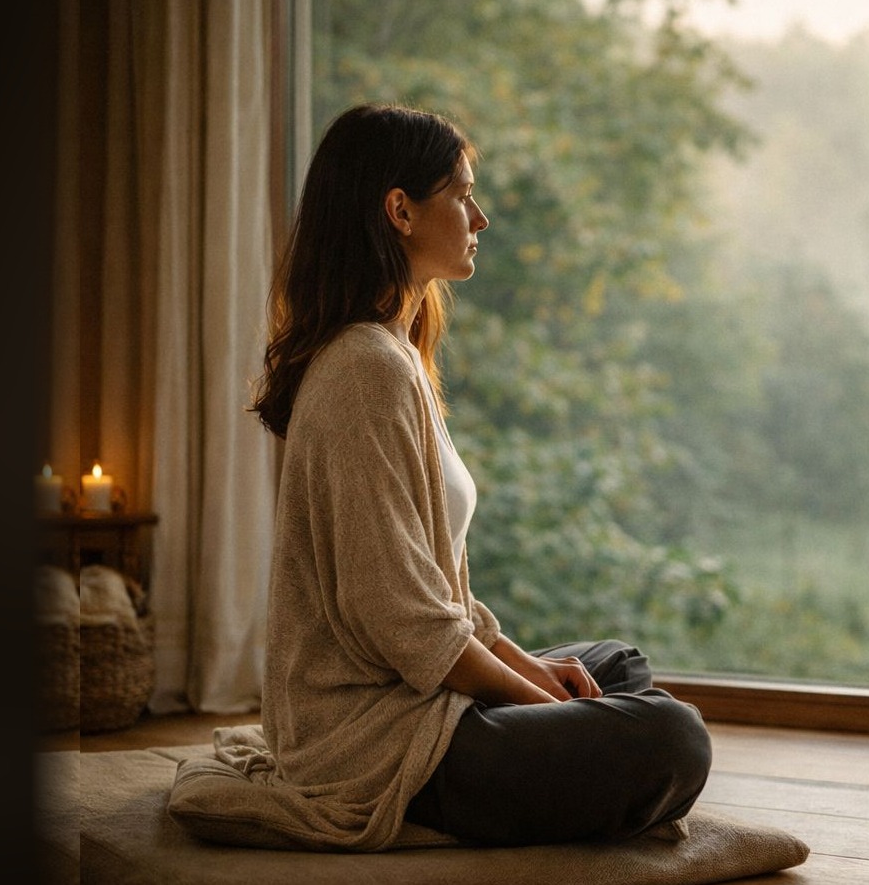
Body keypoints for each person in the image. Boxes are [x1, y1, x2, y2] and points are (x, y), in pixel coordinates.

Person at [246, 102, 712, 850]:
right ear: (399, 210)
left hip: (416, 693)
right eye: (461, 195)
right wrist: (537, 705)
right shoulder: (364, 367)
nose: (480, 217)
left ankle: (562, 746)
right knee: (674, 736)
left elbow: (442, 595)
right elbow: (400, 616)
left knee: (613, 665)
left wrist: (529, 670)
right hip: (370, 740)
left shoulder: (395, 354)